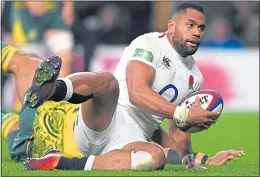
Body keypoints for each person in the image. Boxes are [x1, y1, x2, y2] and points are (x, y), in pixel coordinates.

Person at [22, 2, 243, 171]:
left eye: (201, 28)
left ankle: (60, 162)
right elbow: (137, 93)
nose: (197, 32)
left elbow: (178, 130)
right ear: (172, 26)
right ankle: (52, 89)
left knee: (156, 157)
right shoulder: (149, 43)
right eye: (191, 25)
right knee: (108, 82)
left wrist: (197, 161)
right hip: (105, 116)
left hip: (130, 139)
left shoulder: (195, 78)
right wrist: (182, 113)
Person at [10, 1, 74, 77]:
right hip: (24, 12)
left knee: (65, 57)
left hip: (54, 10)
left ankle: (61, 88)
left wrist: (69, 4)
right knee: (25, 65)